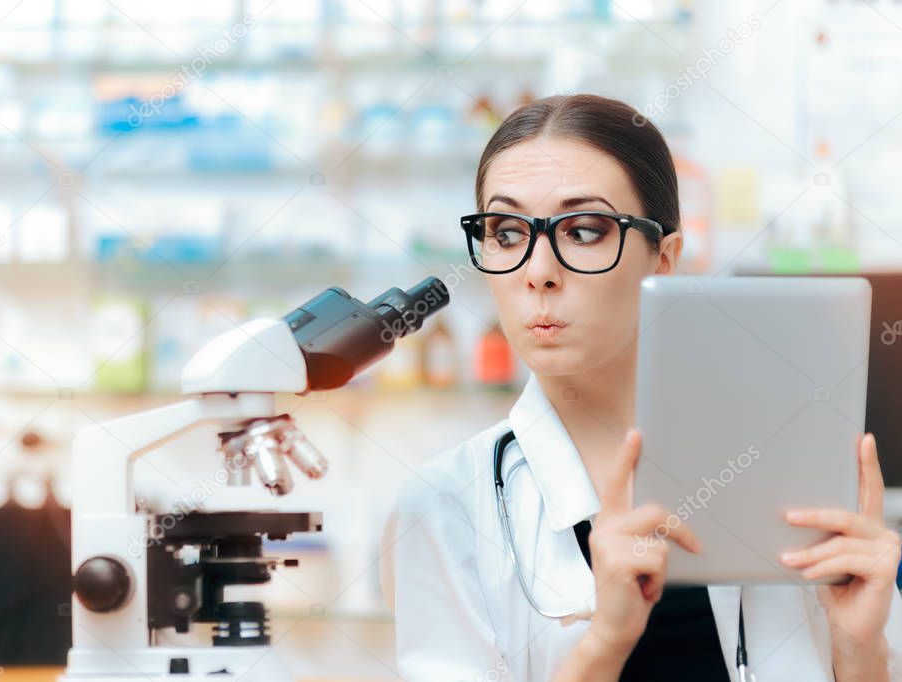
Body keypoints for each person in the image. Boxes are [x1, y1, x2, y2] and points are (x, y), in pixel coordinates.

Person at [379, 93, 902, 681]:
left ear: (664, 258)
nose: (537, 272)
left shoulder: (786, 477)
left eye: (582, 231)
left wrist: (861, 649)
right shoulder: (446, 507)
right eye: (506, 232)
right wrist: (606, 642)